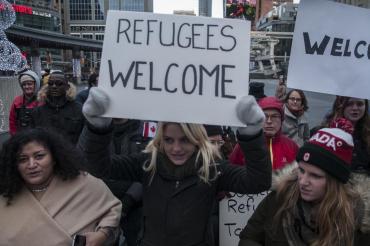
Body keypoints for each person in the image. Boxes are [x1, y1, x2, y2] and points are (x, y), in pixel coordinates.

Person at [78, 87, 272, 246]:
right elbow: (99, 167)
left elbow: (258, 182)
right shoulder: (148, 163)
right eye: (169, 140)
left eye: (184, 140)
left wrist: (251, 134)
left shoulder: (212, 169)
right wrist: (97, 127)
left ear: (196, 140)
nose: (176, 148)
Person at [238, 119, 370, 246]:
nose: (303, 181)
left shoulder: (356, 216)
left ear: (335, 182)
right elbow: (249, 238)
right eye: (301, 170)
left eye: (315, 176)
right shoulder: (279, 198)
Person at [0, 128, 122, 245]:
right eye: (23, 159)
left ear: (54, 158)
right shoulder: (6, 195)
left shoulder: (83, 184)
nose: (31, 164)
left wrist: (102, 234)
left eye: (39, 156)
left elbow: (112, 211)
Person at [229, 96, 299, 170]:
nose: (269, 121)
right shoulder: (245, 145)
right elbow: (232, 173)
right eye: (265, 116)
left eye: (274, 116)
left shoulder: (292, 147)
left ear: (281, 119)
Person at [316, 96, 369, 174]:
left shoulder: (367, 134)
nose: (355, 108)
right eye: (349, 104)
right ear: (340, 105)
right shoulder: (323, 132)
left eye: (360, 104)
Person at [32, 71, 84, 144]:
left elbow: (84, 137)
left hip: (71, 153)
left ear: (67, 87)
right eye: (50, 83)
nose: (54, 86)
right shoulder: (38, 111)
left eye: (59, 83)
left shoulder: (79, 109)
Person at [9, 70, 41, 135]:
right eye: (24, 84)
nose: (26, 87)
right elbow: (12, 122)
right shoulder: (17, 101)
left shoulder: (42, 100)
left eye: (29, 84)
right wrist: (15, 137)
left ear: (35, 84)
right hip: (21, 139)